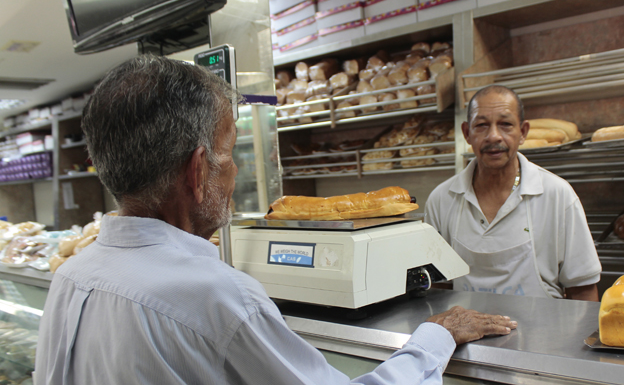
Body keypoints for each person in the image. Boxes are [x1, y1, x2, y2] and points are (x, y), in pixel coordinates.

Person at [34, 56, 516, 385]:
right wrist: (437, 335)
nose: (236, 170)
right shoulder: (218, 296)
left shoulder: (71, 278)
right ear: (198, 171)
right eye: (228, 153)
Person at [425, 85, 601, 301]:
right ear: (467, 133)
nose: (493, 136)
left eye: (506, 124)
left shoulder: (558, 195)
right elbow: (438, 287)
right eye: (481, 125)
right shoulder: (441, 200)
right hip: (466, 333)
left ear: (523, 132)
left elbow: (582, 289)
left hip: (544, 331)